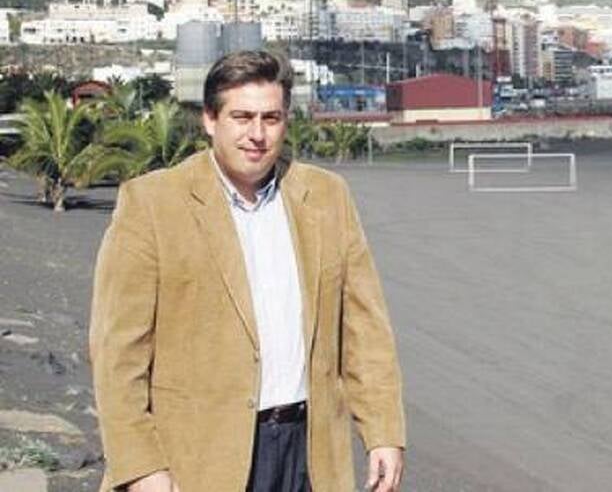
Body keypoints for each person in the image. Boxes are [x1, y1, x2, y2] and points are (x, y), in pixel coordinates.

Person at [90, 51, 405, 492]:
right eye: (241, 117)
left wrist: (383, 432)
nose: (257, 134)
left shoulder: (327, 196)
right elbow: (116, 353)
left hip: (309, 451)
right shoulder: (152, 204)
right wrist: (141, 467)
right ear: (210, 119)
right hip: (198, 457)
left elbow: (365, 331)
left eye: (271, 118)